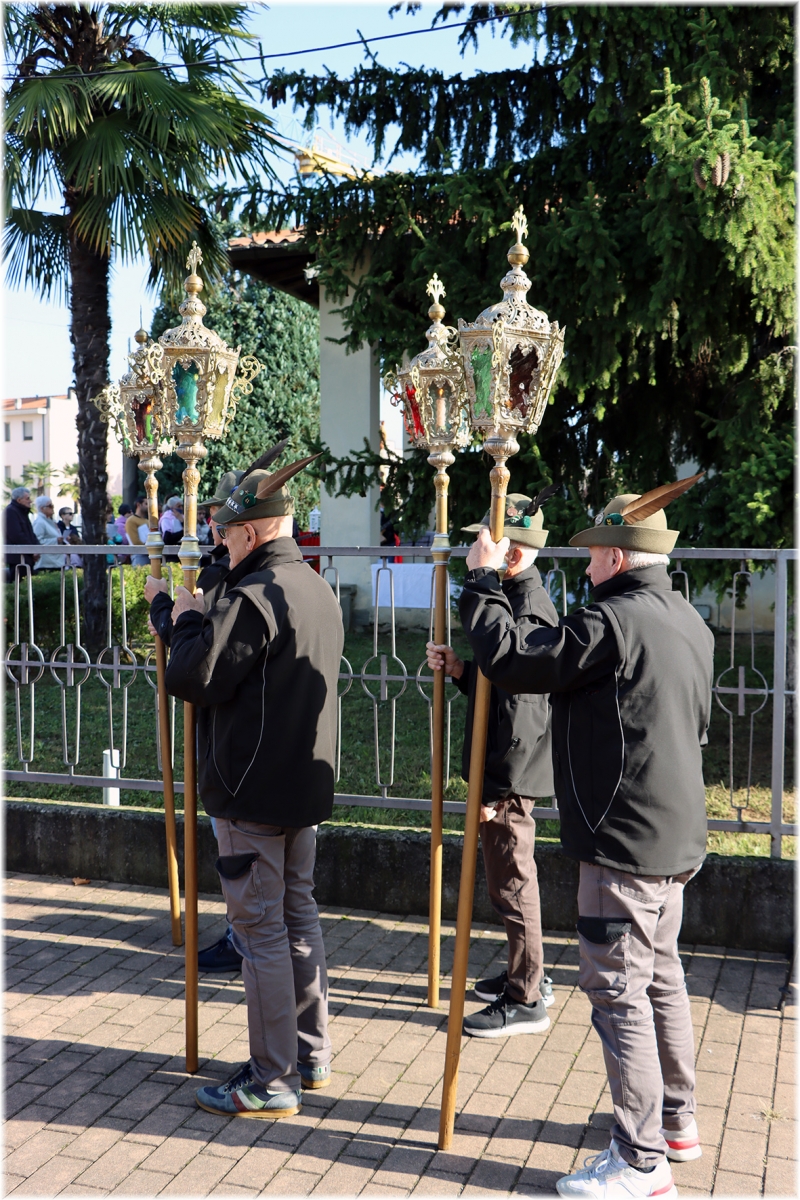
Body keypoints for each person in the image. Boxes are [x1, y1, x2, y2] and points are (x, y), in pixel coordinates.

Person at [458, 475, 711, 1200]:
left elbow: (517, 662)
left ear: (619, 558)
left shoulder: (613, 622)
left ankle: (640, 1160)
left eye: (597, 552)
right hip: (672, 836)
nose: (590, 563)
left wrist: (481, 582)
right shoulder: (686, 619)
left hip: (623, 842)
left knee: (618, 992)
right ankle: (675, 1122)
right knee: (662, 980)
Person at [145, 444, 342, 1119]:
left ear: (252, 534)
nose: (220, 544)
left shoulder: (255, 596)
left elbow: (192, 676)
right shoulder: (311, 585)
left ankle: (273, 1077)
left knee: (260, 933)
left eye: (227, 534)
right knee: (296, 919)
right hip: (298, 788)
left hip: (251, 791)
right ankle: (308, 1054)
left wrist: (178, 616)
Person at [426, 492, 559, 1038]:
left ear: (512, 553)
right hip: (509, 774)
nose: (475, 551)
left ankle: (527, 996)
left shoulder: (525, 610)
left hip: (511, 777)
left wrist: (494, 790)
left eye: (486, 542)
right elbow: (502, 686)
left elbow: (522, 715)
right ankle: (527, 974)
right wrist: (463, 671)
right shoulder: (514, 599)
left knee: (513, 885)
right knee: (510, 881)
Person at [149, 467, 246, 973]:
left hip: (230, 732)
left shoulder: (223, 575)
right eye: (210, 515)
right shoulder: (226, 568)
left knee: (237, 848)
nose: (212, 524)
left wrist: (161, 607)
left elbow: (192, 648)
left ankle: (241, 936)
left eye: (218, 518)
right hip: (240, 729)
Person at [4, 486, 40, 572]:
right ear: (19, 500)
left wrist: (36, 549)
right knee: (19, 580)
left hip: (26, 557)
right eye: (27, 499)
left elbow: (31, 534)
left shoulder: (22, 512)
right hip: (18, 558)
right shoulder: (11, 511)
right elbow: (16, 535)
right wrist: (32, 550)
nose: (30, 501)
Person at [32, 496, 67, 571]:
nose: (53, 508)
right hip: (46, 564)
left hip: (56, 561)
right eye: (50, 506)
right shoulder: (40, 522)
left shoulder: (50, 521)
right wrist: (56, 540)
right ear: (42, 508)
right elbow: (37, 541)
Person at [125, 498, 149, 566]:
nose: (148, 506)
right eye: (146, 504)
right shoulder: (131, 520)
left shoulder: (147, 521)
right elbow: (135, 541)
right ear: (139, 505)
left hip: (149, 553)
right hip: (139, 555)